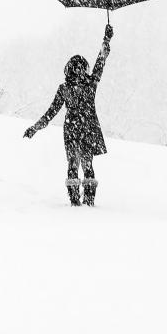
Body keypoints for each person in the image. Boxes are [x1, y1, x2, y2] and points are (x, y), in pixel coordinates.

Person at [23, 19, 113, 206]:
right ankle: (89, 202)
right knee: (88, 165)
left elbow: (51, 113)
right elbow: (100, 63)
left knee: (73, 164)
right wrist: (106, 40)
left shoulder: (64, 88)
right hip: (87, 128)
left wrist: (35, 128)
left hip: (72, 129)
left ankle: (75, 202)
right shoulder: (90, 85)